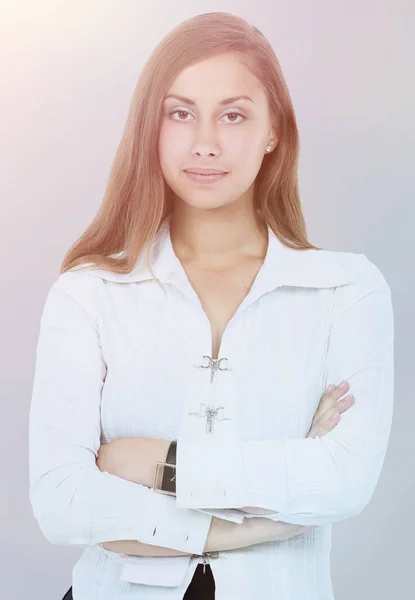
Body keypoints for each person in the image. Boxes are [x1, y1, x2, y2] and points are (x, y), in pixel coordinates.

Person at [28, 12, 394, 600]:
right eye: (180, 113)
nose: (205, 142)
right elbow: (63, 503)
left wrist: (154, 464)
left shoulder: (346, 290)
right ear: (153, 127)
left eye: (233, 114)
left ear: (273, 131)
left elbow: (345, 480)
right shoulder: (89, 291)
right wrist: (262, 521)